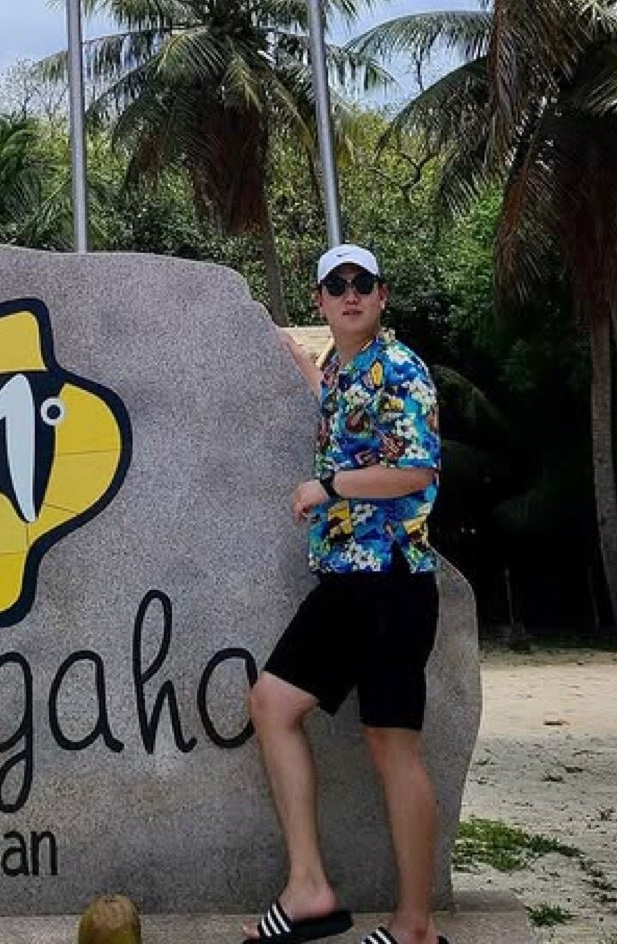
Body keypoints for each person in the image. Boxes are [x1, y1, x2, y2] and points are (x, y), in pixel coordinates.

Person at [244, 243, 447, 944]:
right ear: (322, 301)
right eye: (337, 285)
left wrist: (325, 487)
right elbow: (332, 398)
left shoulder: (401, 368)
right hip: (344, 582)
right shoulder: (342, 369)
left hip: (392, 581)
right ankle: (308, 889)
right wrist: (288, 351)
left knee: (393, 747)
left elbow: (416, 470)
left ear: (382, 296)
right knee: (273, 703)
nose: (351, 293)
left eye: (363, 283)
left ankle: (415, 926)